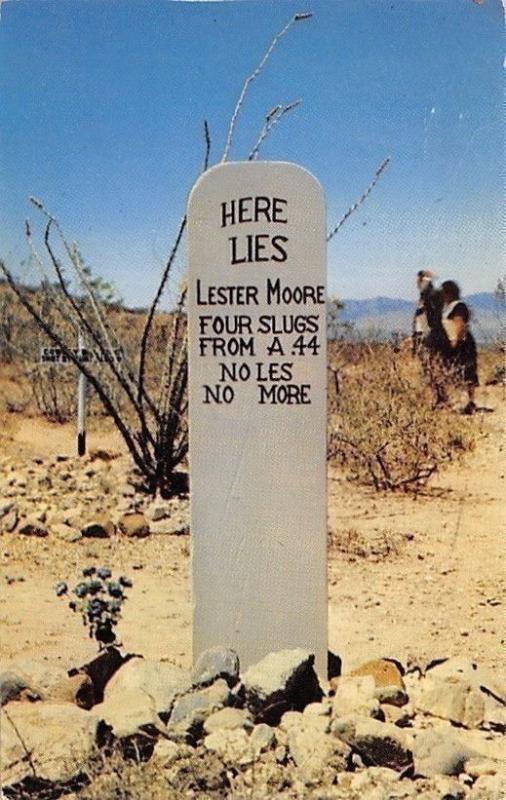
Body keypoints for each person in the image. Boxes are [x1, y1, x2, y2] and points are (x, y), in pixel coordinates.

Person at [440, 280, 479, 414]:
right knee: (455, 372)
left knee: (465, 371)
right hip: (453, 343)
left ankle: (468, 402)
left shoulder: (458, 307)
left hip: (462, 343)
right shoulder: (448, 308)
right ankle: (462, 402)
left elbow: (459, 323)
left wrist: (454, 341)